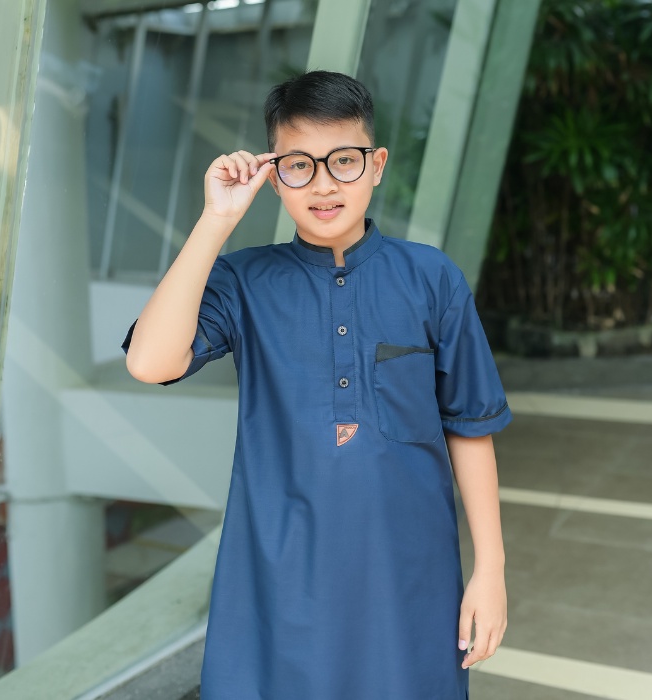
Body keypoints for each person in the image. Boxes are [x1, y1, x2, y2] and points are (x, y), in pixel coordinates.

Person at [121, 69, 512, 700]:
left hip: (408, 577)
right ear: (275, 177)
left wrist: (490, 570)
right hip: (277, 584)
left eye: (344, 161)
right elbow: (149, 362)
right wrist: (216, 220)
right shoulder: (242, 282)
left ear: (376, 165)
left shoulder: (431, 277)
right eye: (300, 165)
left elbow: (470, 427)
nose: (324, 184)